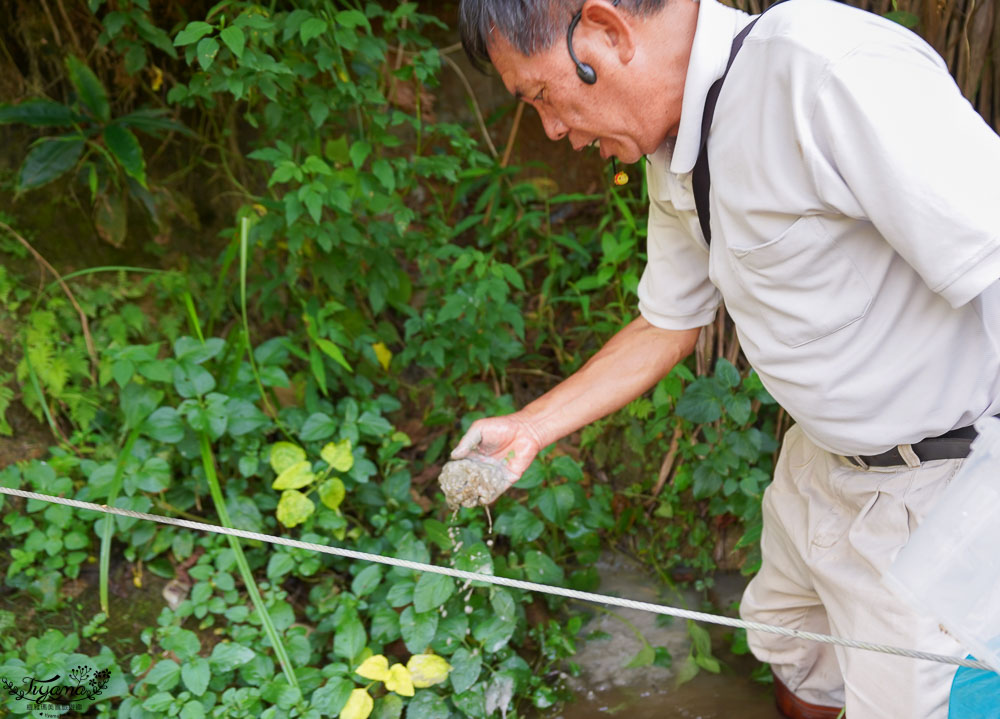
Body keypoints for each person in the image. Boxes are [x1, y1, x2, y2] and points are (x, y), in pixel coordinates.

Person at [451, 0, 1000, 717]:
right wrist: (532, 425)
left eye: (543, 95)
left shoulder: (827, 73)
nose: (553, 129)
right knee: (798, 670)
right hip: (817, 466)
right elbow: (667, 322)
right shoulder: (676, 138)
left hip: (941, 489)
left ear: (607, 32)